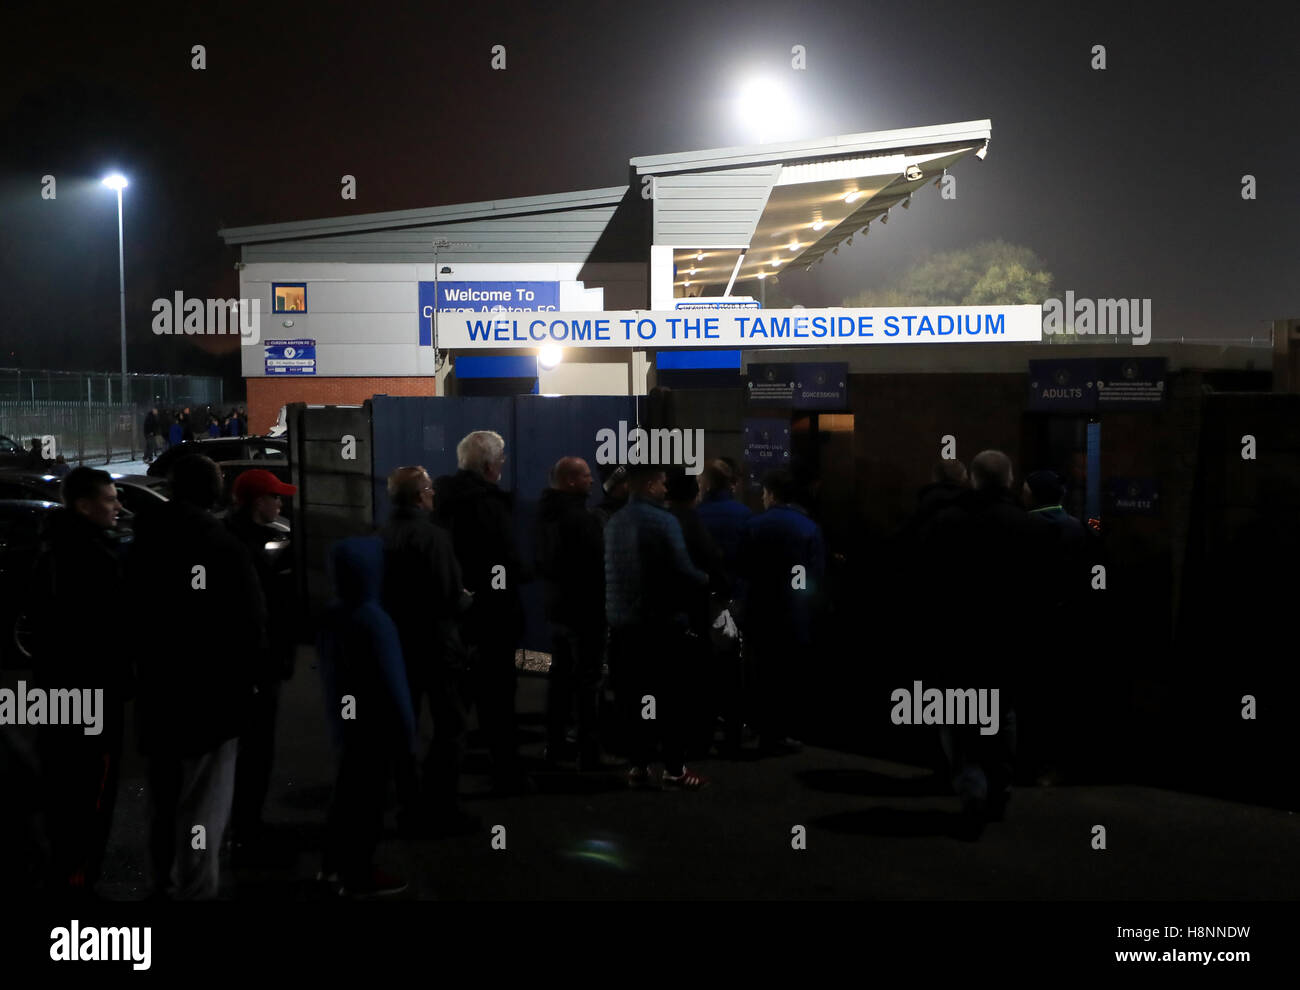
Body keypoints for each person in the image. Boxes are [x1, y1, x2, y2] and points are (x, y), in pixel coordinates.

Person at [128, 454, 267, 899]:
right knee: (203, 806)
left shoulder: (142, 540)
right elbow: (250, 625)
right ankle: (195, 889)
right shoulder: (220, 545)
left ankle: (159, 884)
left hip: (158, 693)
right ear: (211, 489)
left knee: (162, 802)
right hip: (212, 700)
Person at [922, 450, 1047, 837]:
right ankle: (999, 787)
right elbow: (1039, 592)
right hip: (1006, 640)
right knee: (1002, 714)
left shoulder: (945, 523)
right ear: (1009, 481)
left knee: (956, 717)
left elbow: (927, 584)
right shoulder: (1029, 528)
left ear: (972, 480)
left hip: (956, 638)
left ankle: (972, 785)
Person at [27, 468, 129, 898]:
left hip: (59, 694)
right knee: (88, 798)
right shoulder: (88, 557)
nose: (117, 507)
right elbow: (103, 633)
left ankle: (65, 874)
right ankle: (76, 884)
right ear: (84, 506)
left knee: (63, 792)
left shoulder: (53, 548)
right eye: (109, 500)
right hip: (91, 697)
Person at [380, 466, 478, 835]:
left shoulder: (384, 533)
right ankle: (442, 807)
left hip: (400, 645)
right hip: (436, 645)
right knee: (450, 726)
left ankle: (410, 804)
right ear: (421, 495)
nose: (434, 493)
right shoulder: (432, 537)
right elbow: (448, 595)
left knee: (405, 727)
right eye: (430, 488)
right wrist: (467, 601)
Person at [433, 431, 532, 795]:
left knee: (456, 701)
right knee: (498, 696)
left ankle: (442, 782)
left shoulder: (441, 500)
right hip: (492, 615)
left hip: (455, 613)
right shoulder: (489, 505)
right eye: (501, 460)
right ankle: (506, 773)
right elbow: (501, 561)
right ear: (490, 466)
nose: (503, 465)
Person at [317, 537, 414, 898]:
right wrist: (408, 738)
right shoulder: (375, 620)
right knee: (367, 802)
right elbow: (393, 686)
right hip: (376, 728)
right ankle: (359, 874)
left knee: (346, 796)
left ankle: (332, 866)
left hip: (345, 723)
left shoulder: (334, 611)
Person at [604, 463, 710, 789]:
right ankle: (674, 769)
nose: (666, 490)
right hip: (661, 627)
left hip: (623, 625)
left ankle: (638, 765)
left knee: (634, 698)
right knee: (670, 700)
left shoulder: (615, 521)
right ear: (650, 485)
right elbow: (683, 571)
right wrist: (707, 581)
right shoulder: (664, 521)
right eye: (662, 484)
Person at [223, 469, 299, 859]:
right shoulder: (242, 546)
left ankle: (244, 826)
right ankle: (246, 831)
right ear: (258, 503)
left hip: (257, 665)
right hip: (254, 668)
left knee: (251, 752)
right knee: (254, 751)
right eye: (275, 498)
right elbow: (254, 614)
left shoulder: (243, 538)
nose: (281, 504)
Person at [737, 469, 825, 756]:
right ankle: (784, 731)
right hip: (793, 611)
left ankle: (761, 728)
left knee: (760, 671)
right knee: (788, 673)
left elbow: (742, 569)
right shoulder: (808, 527)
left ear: (772, 494)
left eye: (764, 493)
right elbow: (816, 575)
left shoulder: (754, 524)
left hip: (759, 609)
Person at [535, 457, 606, 770]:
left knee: (559, 678)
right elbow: (596, 564)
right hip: (585, 609)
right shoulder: (581, 518)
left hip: (557, 607)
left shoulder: (543, 515)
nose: (592, 481)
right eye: (587, 476)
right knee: (588, 680)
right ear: (571, 481)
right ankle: (589, 751)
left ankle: (555, 743)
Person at [665, 469, 730, 757]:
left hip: (665, 610)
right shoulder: (691, 522)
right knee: (698, 676)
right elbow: (712, 562)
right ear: (694, 493)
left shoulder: (663, 520)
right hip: (694, 608)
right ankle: (697, 738)